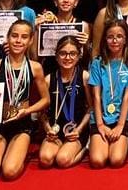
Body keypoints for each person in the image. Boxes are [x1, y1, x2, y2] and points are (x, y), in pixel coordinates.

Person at [0, 19, 50, 181]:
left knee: (10, 171)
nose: (18, 41)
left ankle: (18, 152)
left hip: (22, 125)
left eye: (24, 37)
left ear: (30, 41)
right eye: (14, 36)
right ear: (8, 38)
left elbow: (46, 100)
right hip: (0, 124)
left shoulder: (35, 67)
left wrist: (27, 111)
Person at [88, 19, 128, 168]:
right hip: (101, 117)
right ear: (105, 40)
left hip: (121, 118)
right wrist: (100, 124)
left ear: (126, 40)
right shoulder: (97, 63)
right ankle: (89, 144)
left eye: (119, 36)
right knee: (98, 161)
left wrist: (120, 125)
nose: (115, 40)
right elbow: (96, 96)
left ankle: (124, 142)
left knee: (116, 160)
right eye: (110, 37)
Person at [38, 36, 92, 169]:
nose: (68, 58)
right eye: (63, 53)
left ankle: (85, 148)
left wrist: (79, 130)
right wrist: (48, 129)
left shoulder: (84, 77)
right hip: (55, 131)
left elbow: (91, 108)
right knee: (45, 159)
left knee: (62, 160)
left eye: (72, 53)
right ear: (56, 56)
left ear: (79, 56)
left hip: (76, 130)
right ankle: (62, 147)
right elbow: (42, 112)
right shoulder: (48, 79)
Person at [36, 0, 91, 72]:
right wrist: (36, 30)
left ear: (76, 2)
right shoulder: (45, 24)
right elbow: (34, 57)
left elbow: (86, 60)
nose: (66, 0)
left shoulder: (83, 26)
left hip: (74, 73)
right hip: (49, 71)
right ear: (55, 1)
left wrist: (86, 45)